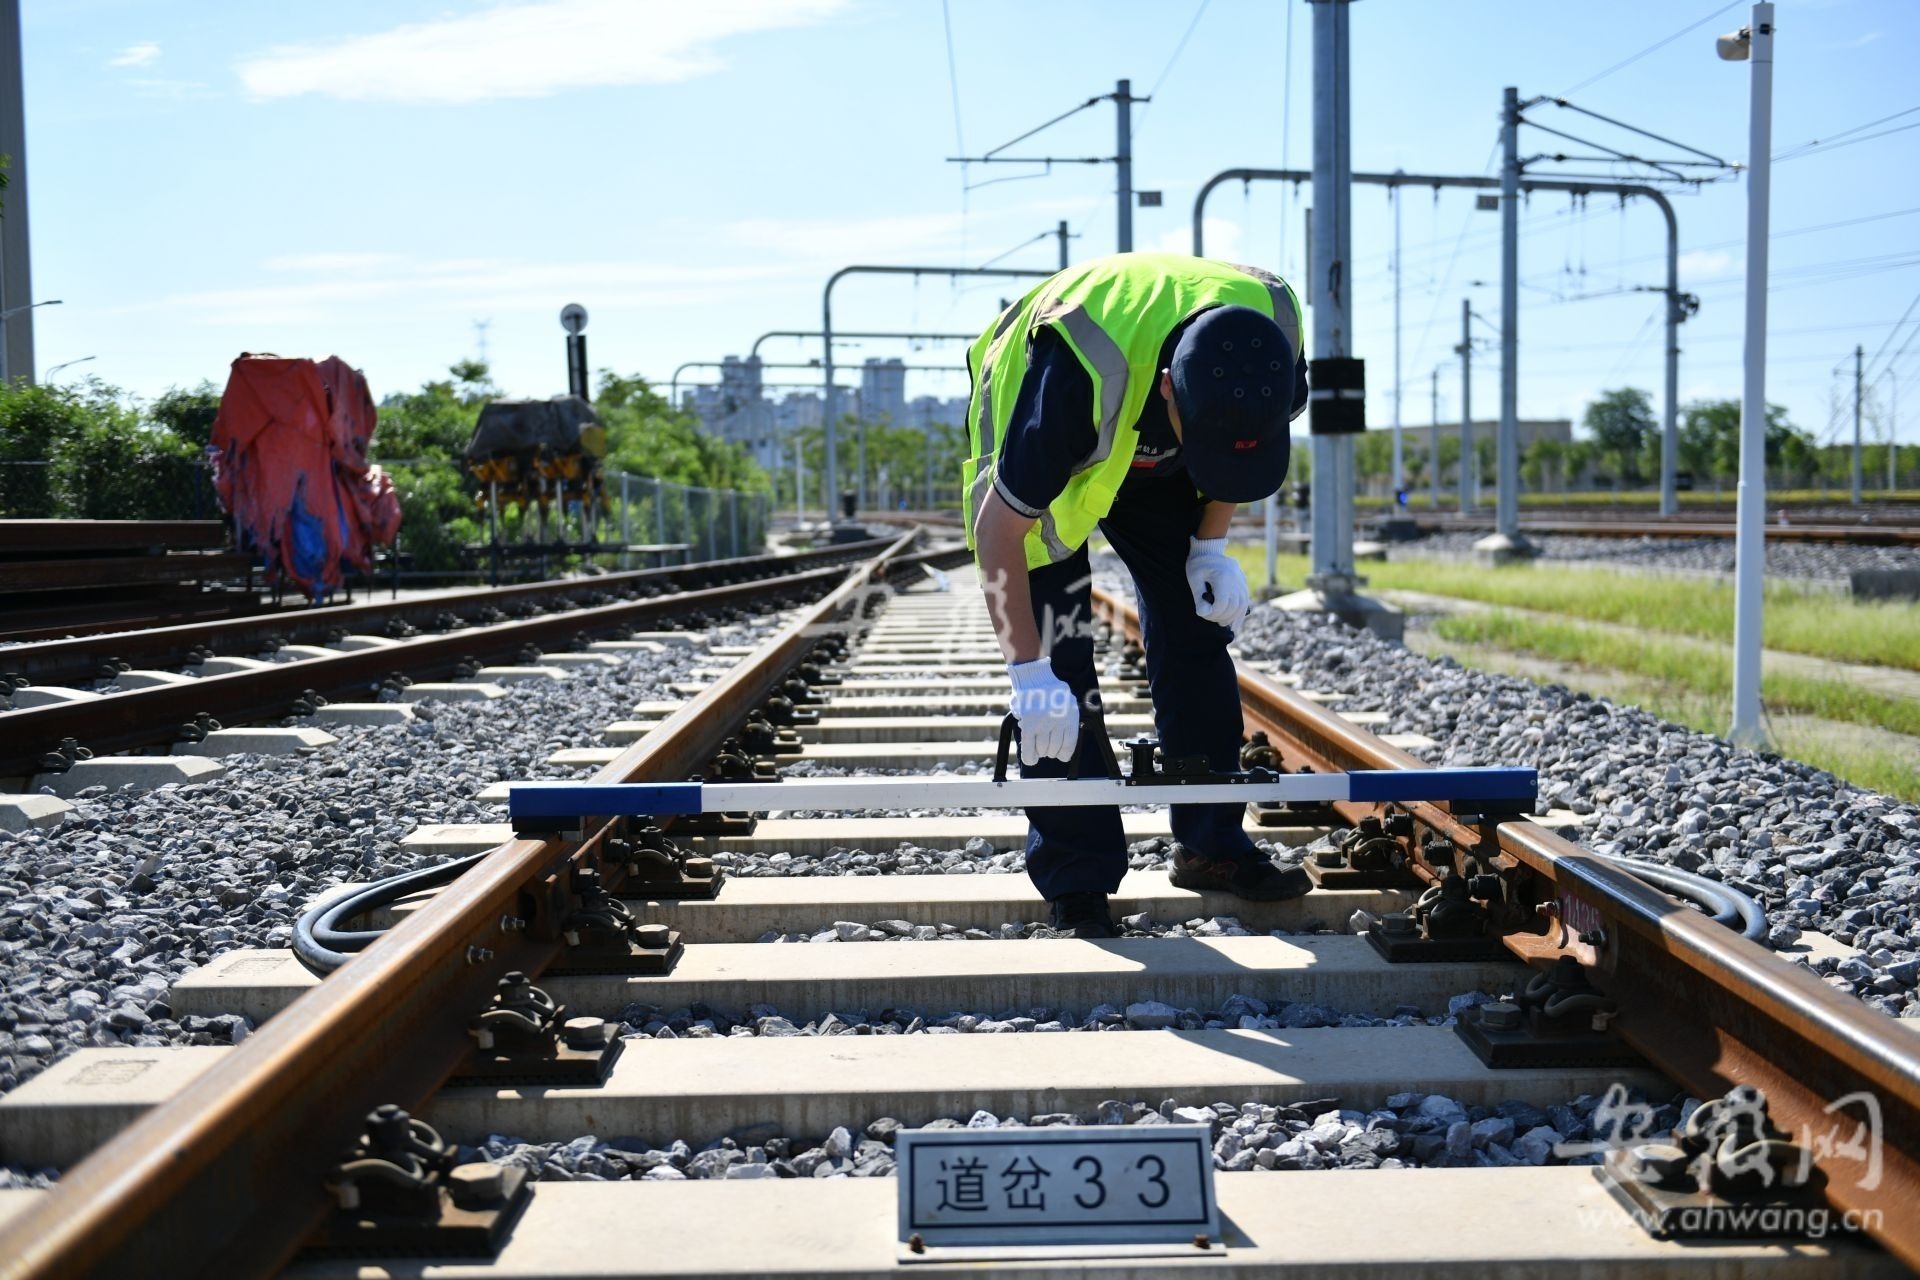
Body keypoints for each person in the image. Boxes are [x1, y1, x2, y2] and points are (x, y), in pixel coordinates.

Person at [962, 251, 1313, 938]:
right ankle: (1078, 875)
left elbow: (1241, 453)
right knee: (1061, 666)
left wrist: (1209, 549)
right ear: (1169, 392)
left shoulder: (1271, 330)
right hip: (1069, 454)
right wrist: (1028, 677)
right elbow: (997, 533)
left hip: (1161, 460)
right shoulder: (1074, 380)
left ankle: (1210, 845)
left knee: (1196, 632)